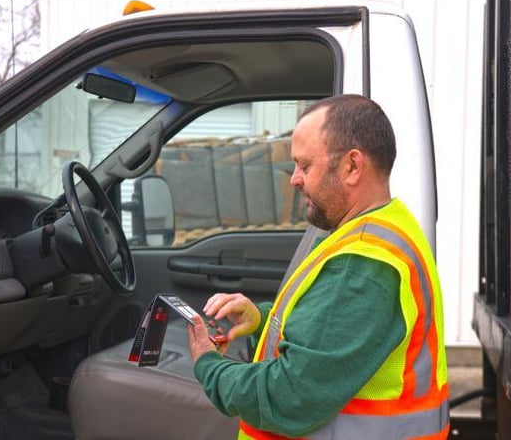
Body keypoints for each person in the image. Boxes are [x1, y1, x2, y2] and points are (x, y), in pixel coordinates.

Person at [187, 94, 449, 439]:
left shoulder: (363, 265)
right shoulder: (385, 226)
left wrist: (209, 366)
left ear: (352, 166)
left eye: (305, 165)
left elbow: (288, 398)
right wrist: (262, 318)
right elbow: (332, 336)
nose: (294, 179)